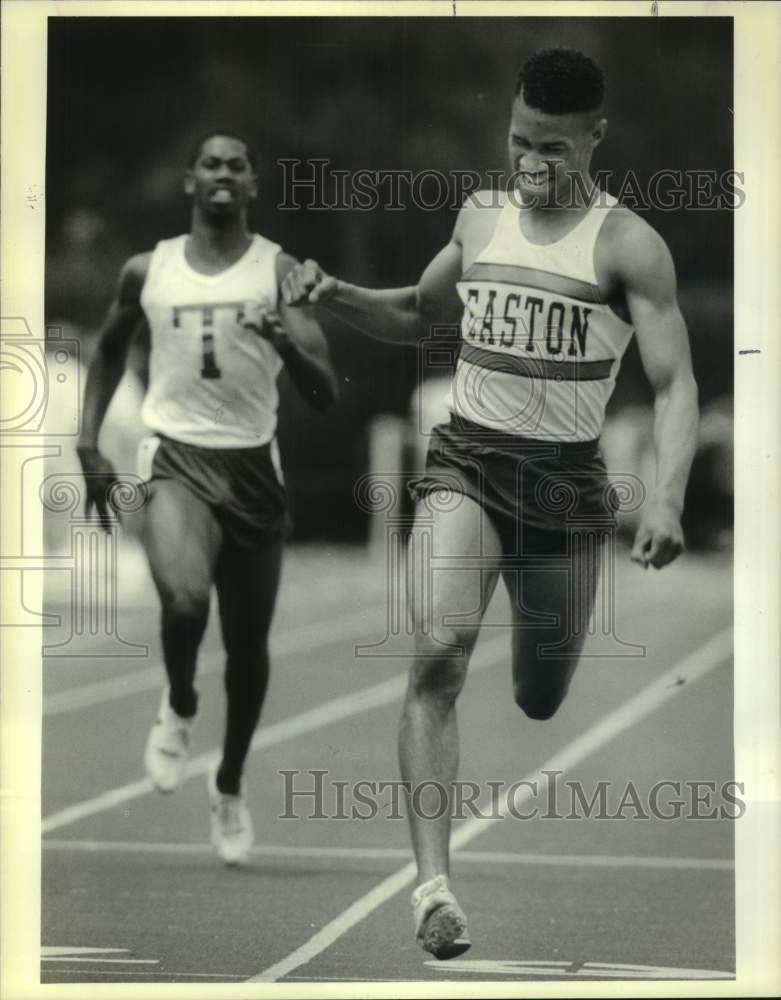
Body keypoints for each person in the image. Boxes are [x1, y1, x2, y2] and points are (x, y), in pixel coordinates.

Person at [281, 49, 698, 957]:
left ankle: (538, 642)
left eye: (552, 146)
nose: (531, 162)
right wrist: (336, 292)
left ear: (594, 136)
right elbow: (418, 315)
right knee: (435, 655)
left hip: (564, 486)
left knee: (540, 697)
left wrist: (663, 498)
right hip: (465, 461)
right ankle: (432, 889)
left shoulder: (629, 246)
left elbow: (672, 386)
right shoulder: (479, 217)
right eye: (517, 141)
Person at [77, 132, 338, 866]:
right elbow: (106, 350)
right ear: (189, 178)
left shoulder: (277, 269)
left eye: (237, 165)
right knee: (186, 603)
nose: (223, 174)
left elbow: (322, 389)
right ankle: (181, 702)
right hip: (175, 457)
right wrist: (87, 442)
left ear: (252, 183)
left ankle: (228, 785)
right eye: (211, 164)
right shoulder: (147, 269)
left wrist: (282, 337)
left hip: (253, 465)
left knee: (249, 650)